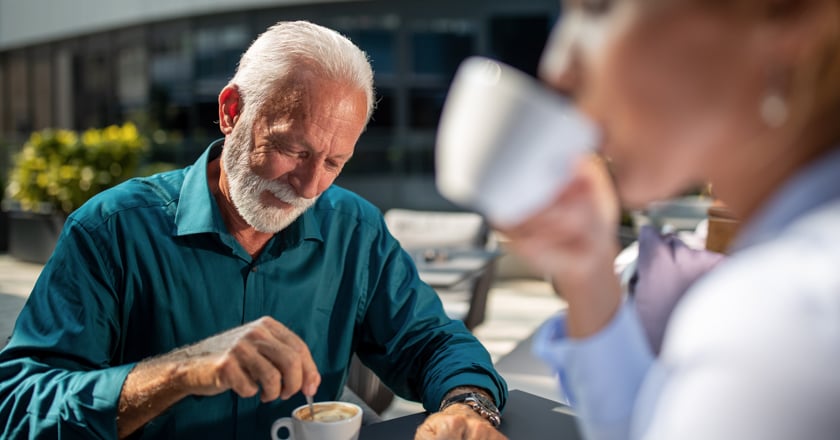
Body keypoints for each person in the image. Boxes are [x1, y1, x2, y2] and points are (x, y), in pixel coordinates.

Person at [0, 21, 507, 440]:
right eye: (294, 150)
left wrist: (469, 405)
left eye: (335, 161)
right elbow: (19, 404)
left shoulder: (354, 228)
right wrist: (182, 371)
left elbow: (431, 341)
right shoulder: (112, 230)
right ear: (230, 112)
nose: (311, 187)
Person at [498, 0, 840, 439]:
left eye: (598, 8)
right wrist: (589, 274)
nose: (557, 68)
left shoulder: (783, 318)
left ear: (787, 17)